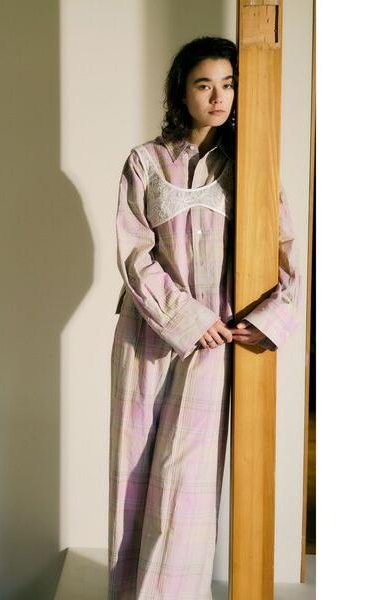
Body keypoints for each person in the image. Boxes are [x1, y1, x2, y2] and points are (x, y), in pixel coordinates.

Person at [108, 36, 301, 599]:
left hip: (214, 344)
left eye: (229, 84)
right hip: (147, 336)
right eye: (204, 85)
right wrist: (188, 318)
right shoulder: (145, 161)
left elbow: (288, 251)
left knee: (183, 484)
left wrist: (266, 320)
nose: (218, 97)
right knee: (132, 474)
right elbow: (134, 253)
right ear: (182, 92)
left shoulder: (251, 165)